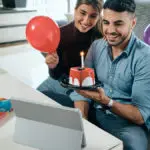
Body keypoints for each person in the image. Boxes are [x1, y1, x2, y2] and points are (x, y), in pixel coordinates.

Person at [42, 0, 150, 149]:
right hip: (93, 108)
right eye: (106, 22)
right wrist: (83, 119)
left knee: (134, 146)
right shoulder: (97, 46)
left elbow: (140, 116)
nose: (110, 30)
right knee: (44, 99)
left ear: (133, 23)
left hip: (125, 123)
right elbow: (81, 90)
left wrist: (107, 102)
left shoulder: (145, 57)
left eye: (118, 24)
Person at [37, 0, 103, 97]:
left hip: (88, 88)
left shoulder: (102, 37)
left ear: (98, 17)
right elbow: (55, 76)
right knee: (32, 99)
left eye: (93, 16)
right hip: (61, 82)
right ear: (75, 10)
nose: (86, 21)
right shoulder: (59, 34)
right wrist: (52, 66)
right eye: (82, 13)